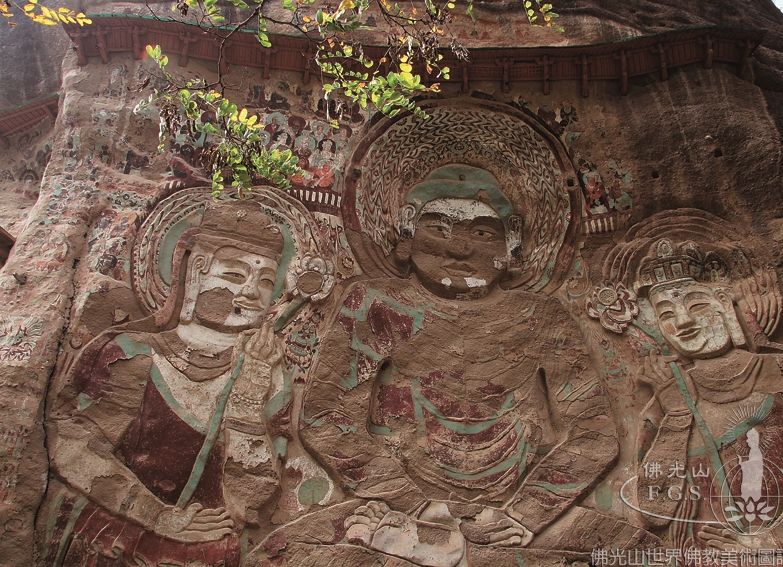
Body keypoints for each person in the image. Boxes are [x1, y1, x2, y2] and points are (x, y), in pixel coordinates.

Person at [250, 165, 655, 567]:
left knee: (643, 553)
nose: (459, 249)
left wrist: (524, 516)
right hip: (398, 503)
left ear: (511, 243)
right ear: (407, 235)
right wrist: (419, 508)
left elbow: (594, 435)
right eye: (439, 229)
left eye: (482, 233)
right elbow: (326, 416)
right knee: (281, 553)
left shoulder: (540, 316)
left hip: (512, 512)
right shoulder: (377, 303)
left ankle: (455, 551)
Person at [43, 200, 297, 566]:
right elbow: (72, 449)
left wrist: (247, 396)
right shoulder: (133, 353)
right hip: (114, 540)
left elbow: (249, 502)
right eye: (234, 275)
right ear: (195, 273)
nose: (252, 292)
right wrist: (158, 516)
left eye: (267, 281)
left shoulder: (267, 375)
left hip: (207, 551)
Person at [632, 238, 783, 556]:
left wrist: (771, 541)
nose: (683, 322)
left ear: (724, 302)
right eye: (666, 313)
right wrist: (677, 417)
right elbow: (653, 511)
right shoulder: (665, 402)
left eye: (696, 305)